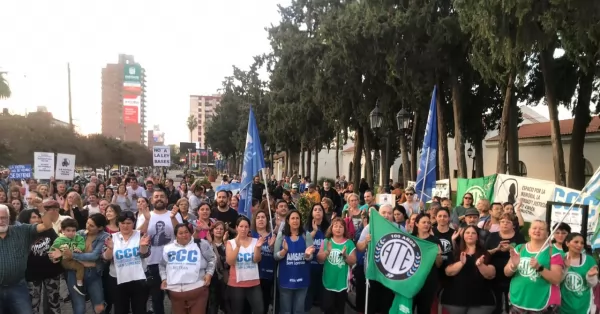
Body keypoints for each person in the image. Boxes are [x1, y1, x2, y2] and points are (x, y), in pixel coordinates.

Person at [504, 220, 564, 313]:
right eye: (534, 228)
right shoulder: (520, 248)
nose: (537, 231)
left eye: (541, 229)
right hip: (518, 300)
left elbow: (556, 279)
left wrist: (539, 268)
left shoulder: (553, 252)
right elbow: (506, 273)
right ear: (529, 231)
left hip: (543, 302)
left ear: (547, 233)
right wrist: (513, 266)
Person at [102, 209, 152, 314]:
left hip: (139, 280)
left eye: (128, 223)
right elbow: (105, 259)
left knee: (139, 309)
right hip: (117, 280)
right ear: (118, 223)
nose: (125, 226)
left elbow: (145, 254)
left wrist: (143, 246)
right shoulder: (111, 237)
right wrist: (110, 249)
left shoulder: (140, 235)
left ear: (133, 223)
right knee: (120, 310)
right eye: (122, 223)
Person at [160, 223, 216, 314]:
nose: (184, 235)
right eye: (180, 233)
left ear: (190, 233)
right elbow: (162, 265)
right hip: (176, 293)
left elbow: (212, 259)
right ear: (176, 235)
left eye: (186, 232)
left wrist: (209, 274)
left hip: (198, 290)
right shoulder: (168, 248)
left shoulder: (201, 244)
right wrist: (164, 278)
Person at [441, 225, 496, 314]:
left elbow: (491, 274)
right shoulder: (455, 252)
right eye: (467, 233)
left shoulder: (484, 253)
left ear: (477, 237)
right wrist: (461, 263)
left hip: (481, 300)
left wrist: (481, 265)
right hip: (455, 300)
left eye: (473, 233)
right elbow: (448, 272)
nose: (470, 235)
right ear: (463, 236)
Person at [226, 216, 265, 314]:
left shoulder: (255, 241)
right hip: (236, 283)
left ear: (249, 228)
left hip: (253, 282)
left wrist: (258, 248)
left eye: (246, 227)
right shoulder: (230, 243)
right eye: (241, 226)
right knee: (237, 311)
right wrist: (238, 246)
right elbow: (230, 262)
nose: (244, 229)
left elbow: (257, 259)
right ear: (236, 227)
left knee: (259, 310)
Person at [317, 217, 356, 314]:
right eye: (336, 226)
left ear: (344, 229)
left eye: (341, 227)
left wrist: (345, 255)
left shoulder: (349, 243)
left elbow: (353, 261)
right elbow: (319, 258)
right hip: (328, 282)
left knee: (340, 309)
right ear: (331, 228)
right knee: (328, 309)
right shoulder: (326, 241)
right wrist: (327, 252)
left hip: (342, 283)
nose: (338, 229)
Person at [51, 218, 86, 295]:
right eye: (68, 230)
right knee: (80, 267)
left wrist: (79, 248)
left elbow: (82, 244)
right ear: (63, 230)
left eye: (73, 230)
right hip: (65, 260)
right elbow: (52, 250)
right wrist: (53, 257)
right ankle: (79, 285)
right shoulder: (59, 240)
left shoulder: (78, 238)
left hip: (76, 257)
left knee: (85, 265)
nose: (71, 233)